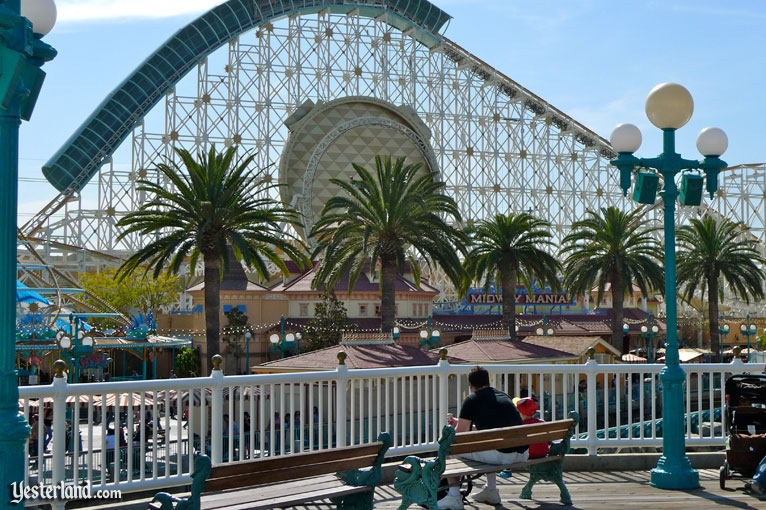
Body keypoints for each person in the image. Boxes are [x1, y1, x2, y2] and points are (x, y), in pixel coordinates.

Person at [438, 366, 528, 510]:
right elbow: (485, 430)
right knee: (487, 443)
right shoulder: (503, 395)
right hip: (522, 453)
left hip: (503, 455)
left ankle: (454, 496)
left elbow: (459, 436)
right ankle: (491, 491)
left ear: (471, 385)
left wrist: (456, 427)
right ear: (488, 382)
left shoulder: (471, 400)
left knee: (449, 448)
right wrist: (460, 422)